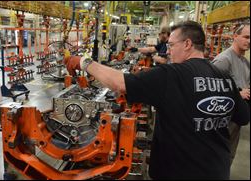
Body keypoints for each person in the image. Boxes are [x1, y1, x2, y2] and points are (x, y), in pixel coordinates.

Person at [64, 20, 250, 179]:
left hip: (178, 172)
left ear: (187, 44)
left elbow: (119, 83)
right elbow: (243, 116)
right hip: (217, 171)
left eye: (171, 45)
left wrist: (83, 62)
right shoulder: (225, 77)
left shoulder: (172, 74)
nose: (168, 51)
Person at [212, 23, 250, 165]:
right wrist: (239, 95)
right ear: (235, 36)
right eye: (246, 37)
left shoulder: (245, 62)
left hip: (236, 120)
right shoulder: (224, 60)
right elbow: (210, 91)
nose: (249, 41)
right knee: (218, 157)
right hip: (222, 121)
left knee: (229, 156)